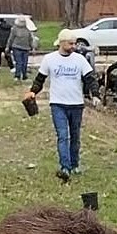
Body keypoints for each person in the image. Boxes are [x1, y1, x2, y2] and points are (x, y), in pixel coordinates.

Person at [25, 28, 100, 183]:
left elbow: (90, 78)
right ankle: (64, 167)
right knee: (63, 136)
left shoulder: (79, 60)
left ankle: (74, 164)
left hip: (76, 104)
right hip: (58, 104)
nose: (74, 46)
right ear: (61, 43)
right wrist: (33, 92)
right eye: (70, 43)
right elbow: (40, 79)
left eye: (75, 43)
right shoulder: (49, 59)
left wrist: (95, 94)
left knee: (75, 137)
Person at [5, 16, 33, 81]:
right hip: (17, 48)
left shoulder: (27, 29)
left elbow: (30, 39)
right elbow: (11, 39)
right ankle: (17, 76)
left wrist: (32, 46)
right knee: (19, 62)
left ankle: (24, 76)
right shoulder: (14, 29)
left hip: (26, 48)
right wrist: (8, 46)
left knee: (24, 63)